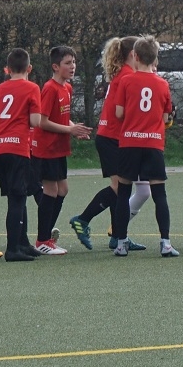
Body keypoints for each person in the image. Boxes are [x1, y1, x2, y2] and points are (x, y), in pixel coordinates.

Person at [68, 36, 150, 252]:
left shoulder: (123, 74)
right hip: (112, 138)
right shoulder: (128, 76)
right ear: (134, 54)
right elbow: (124, 112)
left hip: (112, 137)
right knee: (119, 188)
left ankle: (118, 236)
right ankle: (82, 220)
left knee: (121, 188)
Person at [112, 35, 179, 257]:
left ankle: (121, 243)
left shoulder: (126, 81)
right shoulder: (163, 84)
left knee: (123, 193)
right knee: (159, 194)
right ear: (155, 59)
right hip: (153, 143)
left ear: (136, 56)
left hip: (129, 142)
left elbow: (119, 113)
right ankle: (165, 243)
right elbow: (166, 117)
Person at [31, 46, 93, 255]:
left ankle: (46, 235)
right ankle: (42, 240)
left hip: (59, 148)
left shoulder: (67, 88)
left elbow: (63, 118)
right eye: (67, 63)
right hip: (46, 148)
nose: (72, 66)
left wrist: (75, 130)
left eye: (74, 62)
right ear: (55, 67)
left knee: (63, 190)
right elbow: (42, 121)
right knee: (51, 191)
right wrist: (70, 130)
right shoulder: (50, 88)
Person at [0, 48, 44, 262]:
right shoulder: (32, 87)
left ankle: (23, 242)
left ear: (7, 69)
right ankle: (12, 249)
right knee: (17, 199)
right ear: (29, 68)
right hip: (17, 147)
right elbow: (35, 121)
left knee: (18, 195)